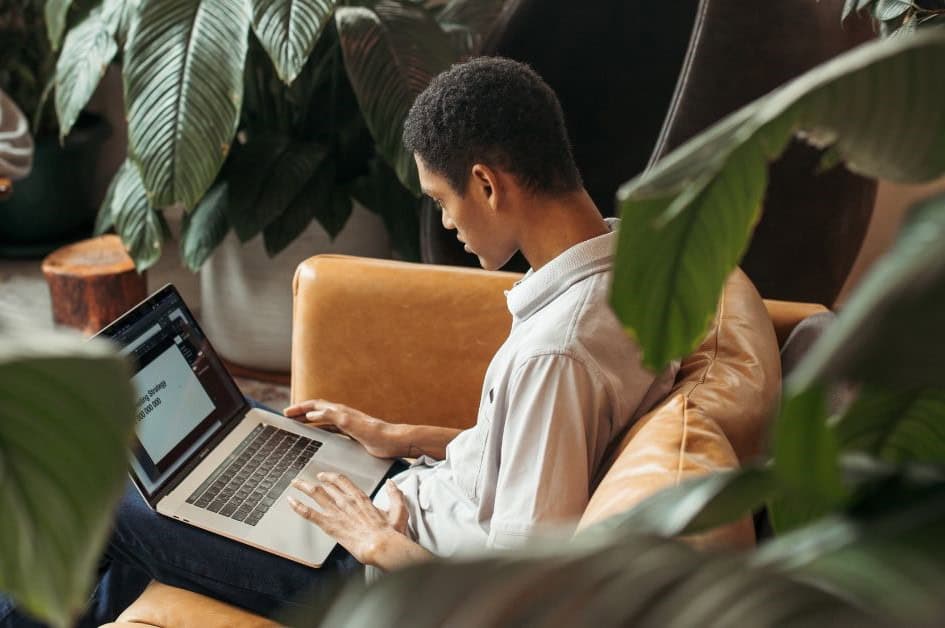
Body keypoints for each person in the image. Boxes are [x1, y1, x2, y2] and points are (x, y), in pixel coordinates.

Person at [1, 56, 676, 626]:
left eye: (441, 200)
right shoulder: (628, 270)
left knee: (106, 496)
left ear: (487, 184)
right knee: (151, 526)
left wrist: (371, 538)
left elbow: (515, 592)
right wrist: (401, 434)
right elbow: (521, 456)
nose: (447, 224)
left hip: (375, 571)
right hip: (406, 496)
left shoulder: (555, 354)